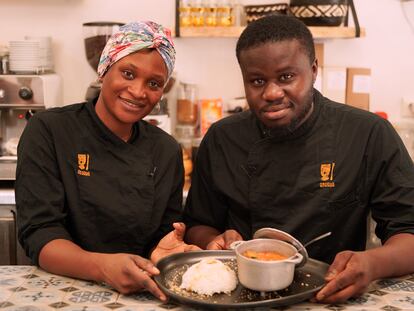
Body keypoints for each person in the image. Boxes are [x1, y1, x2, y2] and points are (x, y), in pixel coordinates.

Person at [183, 15, 414, 303]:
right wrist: (213, 241)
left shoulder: (367, 134)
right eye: (257, 81)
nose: (271, 93)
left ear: (314, 70)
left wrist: (371, 264)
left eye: (286, 77)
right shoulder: (222, 139)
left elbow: (409, 231)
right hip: (241, 298)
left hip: (331, 294)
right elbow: (197, 224)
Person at [16, 21, 199, 302]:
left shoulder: (165, 151)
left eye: (153, 83)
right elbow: (39, 233)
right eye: (128, 73)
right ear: (104, 70)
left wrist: (163, 253)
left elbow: (159, 235)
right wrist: (103, 267)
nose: (138, 92)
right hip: (57, 292)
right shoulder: (50, 130)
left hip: (138, 292)